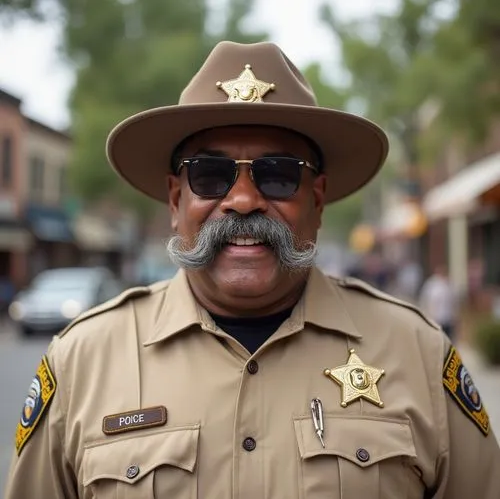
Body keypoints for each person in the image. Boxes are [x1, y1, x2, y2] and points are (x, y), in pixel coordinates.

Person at [5, 41, 500, 499]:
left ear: (318, 200)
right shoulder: (82, 362)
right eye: (211, 175)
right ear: (177, 200)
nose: (242, 200)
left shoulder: (416, 351)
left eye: (279, 175)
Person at [419, 265, 459, 341]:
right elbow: (426, 301)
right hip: (436, 319)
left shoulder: (449, 285)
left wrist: (455, 318)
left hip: (448, 319)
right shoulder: (431, 285)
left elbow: (454, 303)